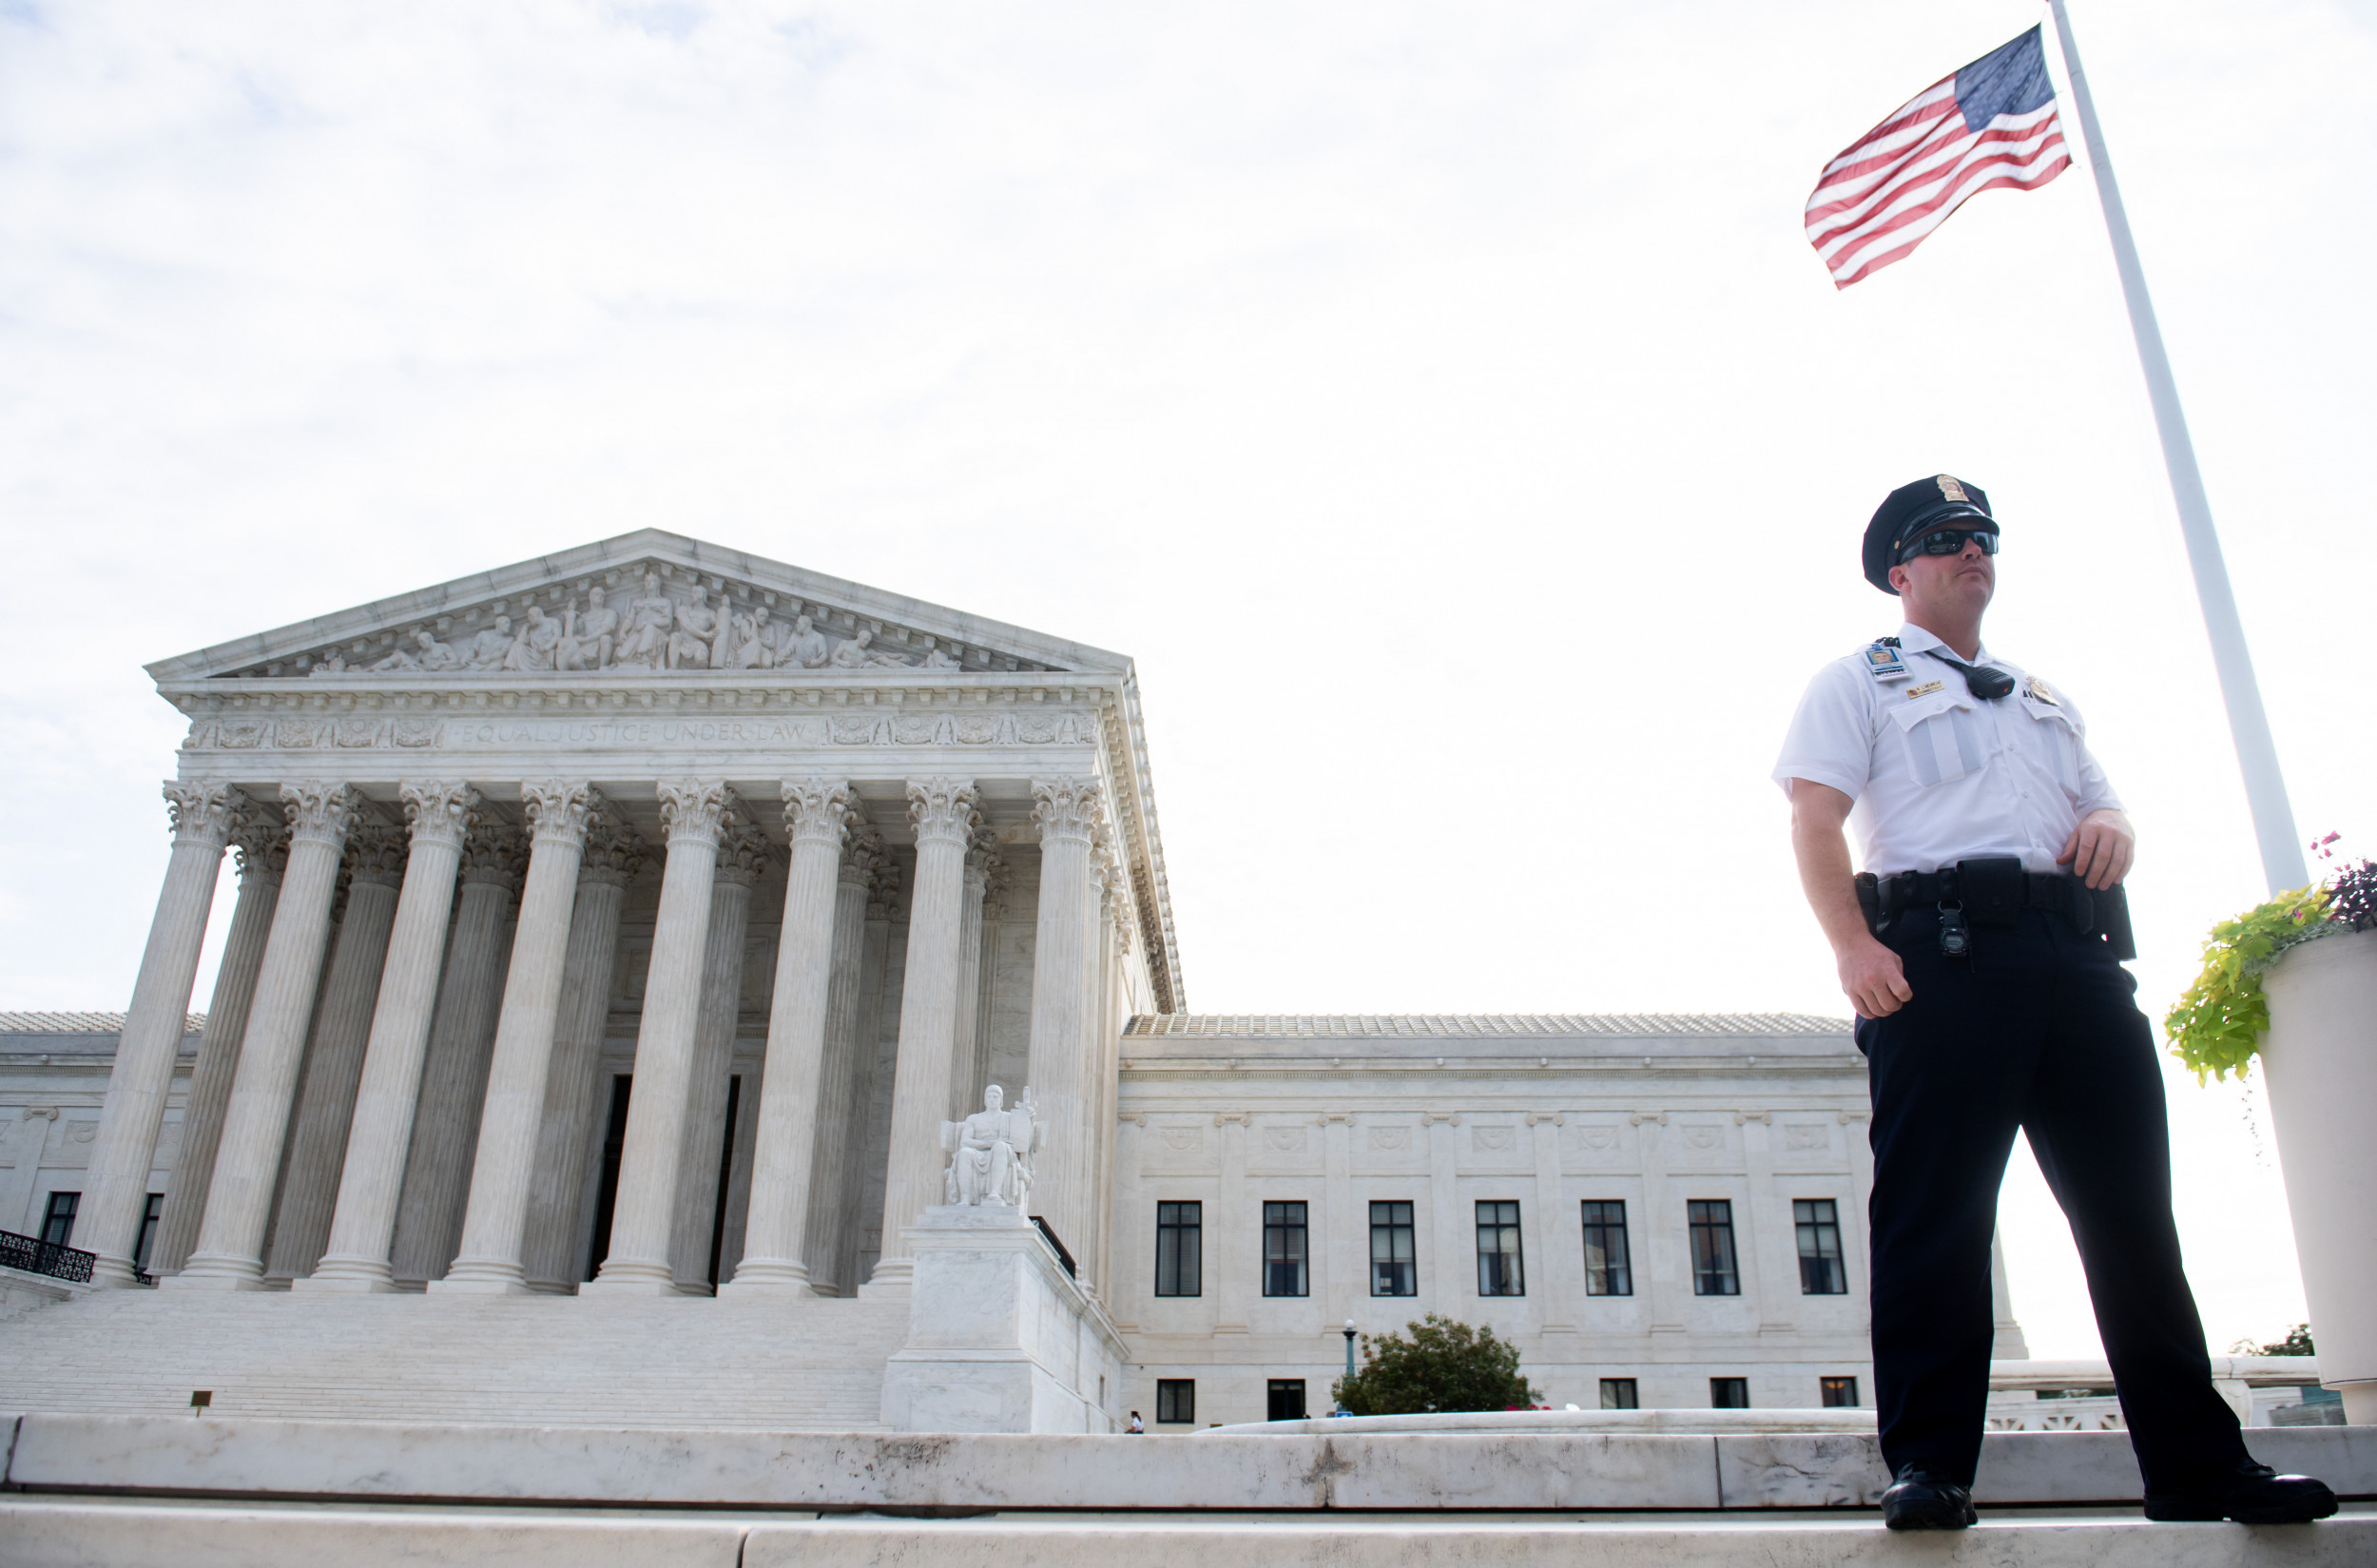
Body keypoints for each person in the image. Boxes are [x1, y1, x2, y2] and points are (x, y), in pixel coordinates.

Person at [1773, 475, 2336, 1532]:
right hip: (1938, 957)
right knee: (1934, 1217)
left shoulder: (2041, 695)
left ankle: (2196, 1465)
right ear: (1900, 572)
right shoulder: (1859, 679)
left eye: (1981, 536)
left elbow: (2096, 798)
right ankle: (1931, 1465)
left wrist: (2117, 821)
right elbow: (1815, 819)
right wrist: (1851, 946)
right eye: (1943, 540)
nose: (1969, 552)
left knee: (2130, 1218)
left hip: (2074, 961)